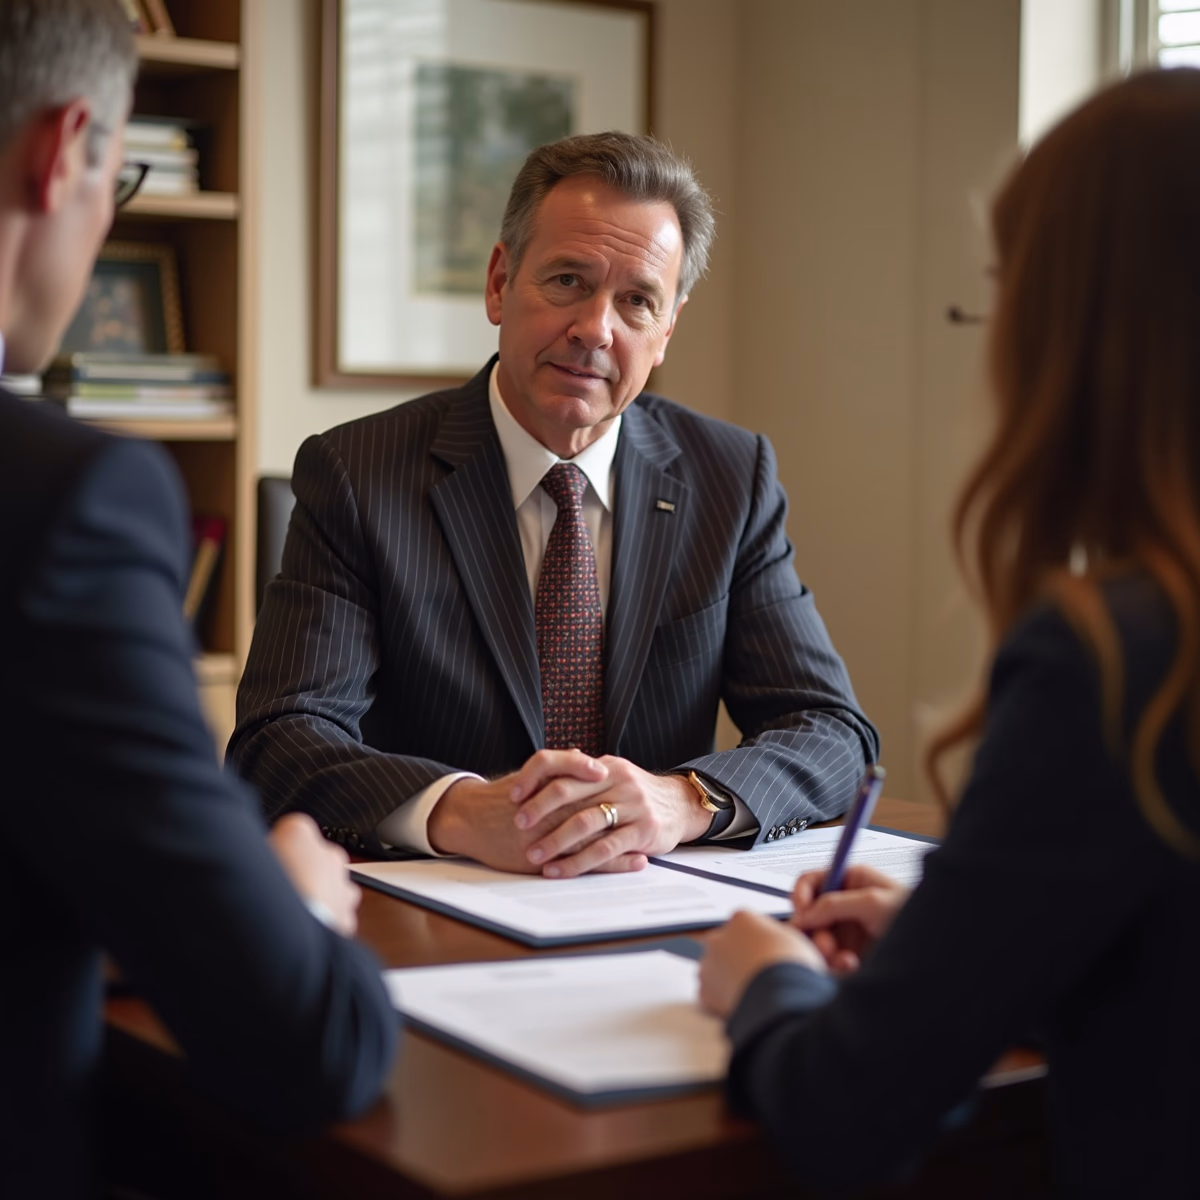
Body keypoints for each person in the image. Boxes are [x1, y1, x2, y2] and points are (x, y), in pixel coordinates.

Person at [698, 68, 1200, 1196]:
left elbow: (850, 1111)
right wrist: (960, 926)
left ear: (1072, 330)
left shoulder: (1114, 662)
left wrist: (767, 980)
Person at [229, 132, 879, 878]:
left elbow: (833, 728)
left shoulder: (730, 477)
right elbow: (276, 740)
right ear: (500, 283)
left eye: (638, 301)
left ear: (666, 330)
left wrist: (682, 800)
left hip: (649, 906)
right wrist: (460, 810)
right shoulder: (357, 473)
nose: (595, 329)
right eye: (568, 280)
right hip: (438, 904)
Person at [0, 3, 396, 1196]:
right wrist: (302, 905)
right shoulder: (66, 503)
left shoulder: (726, 474)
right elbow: (307, 1045)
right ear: (65, 151)